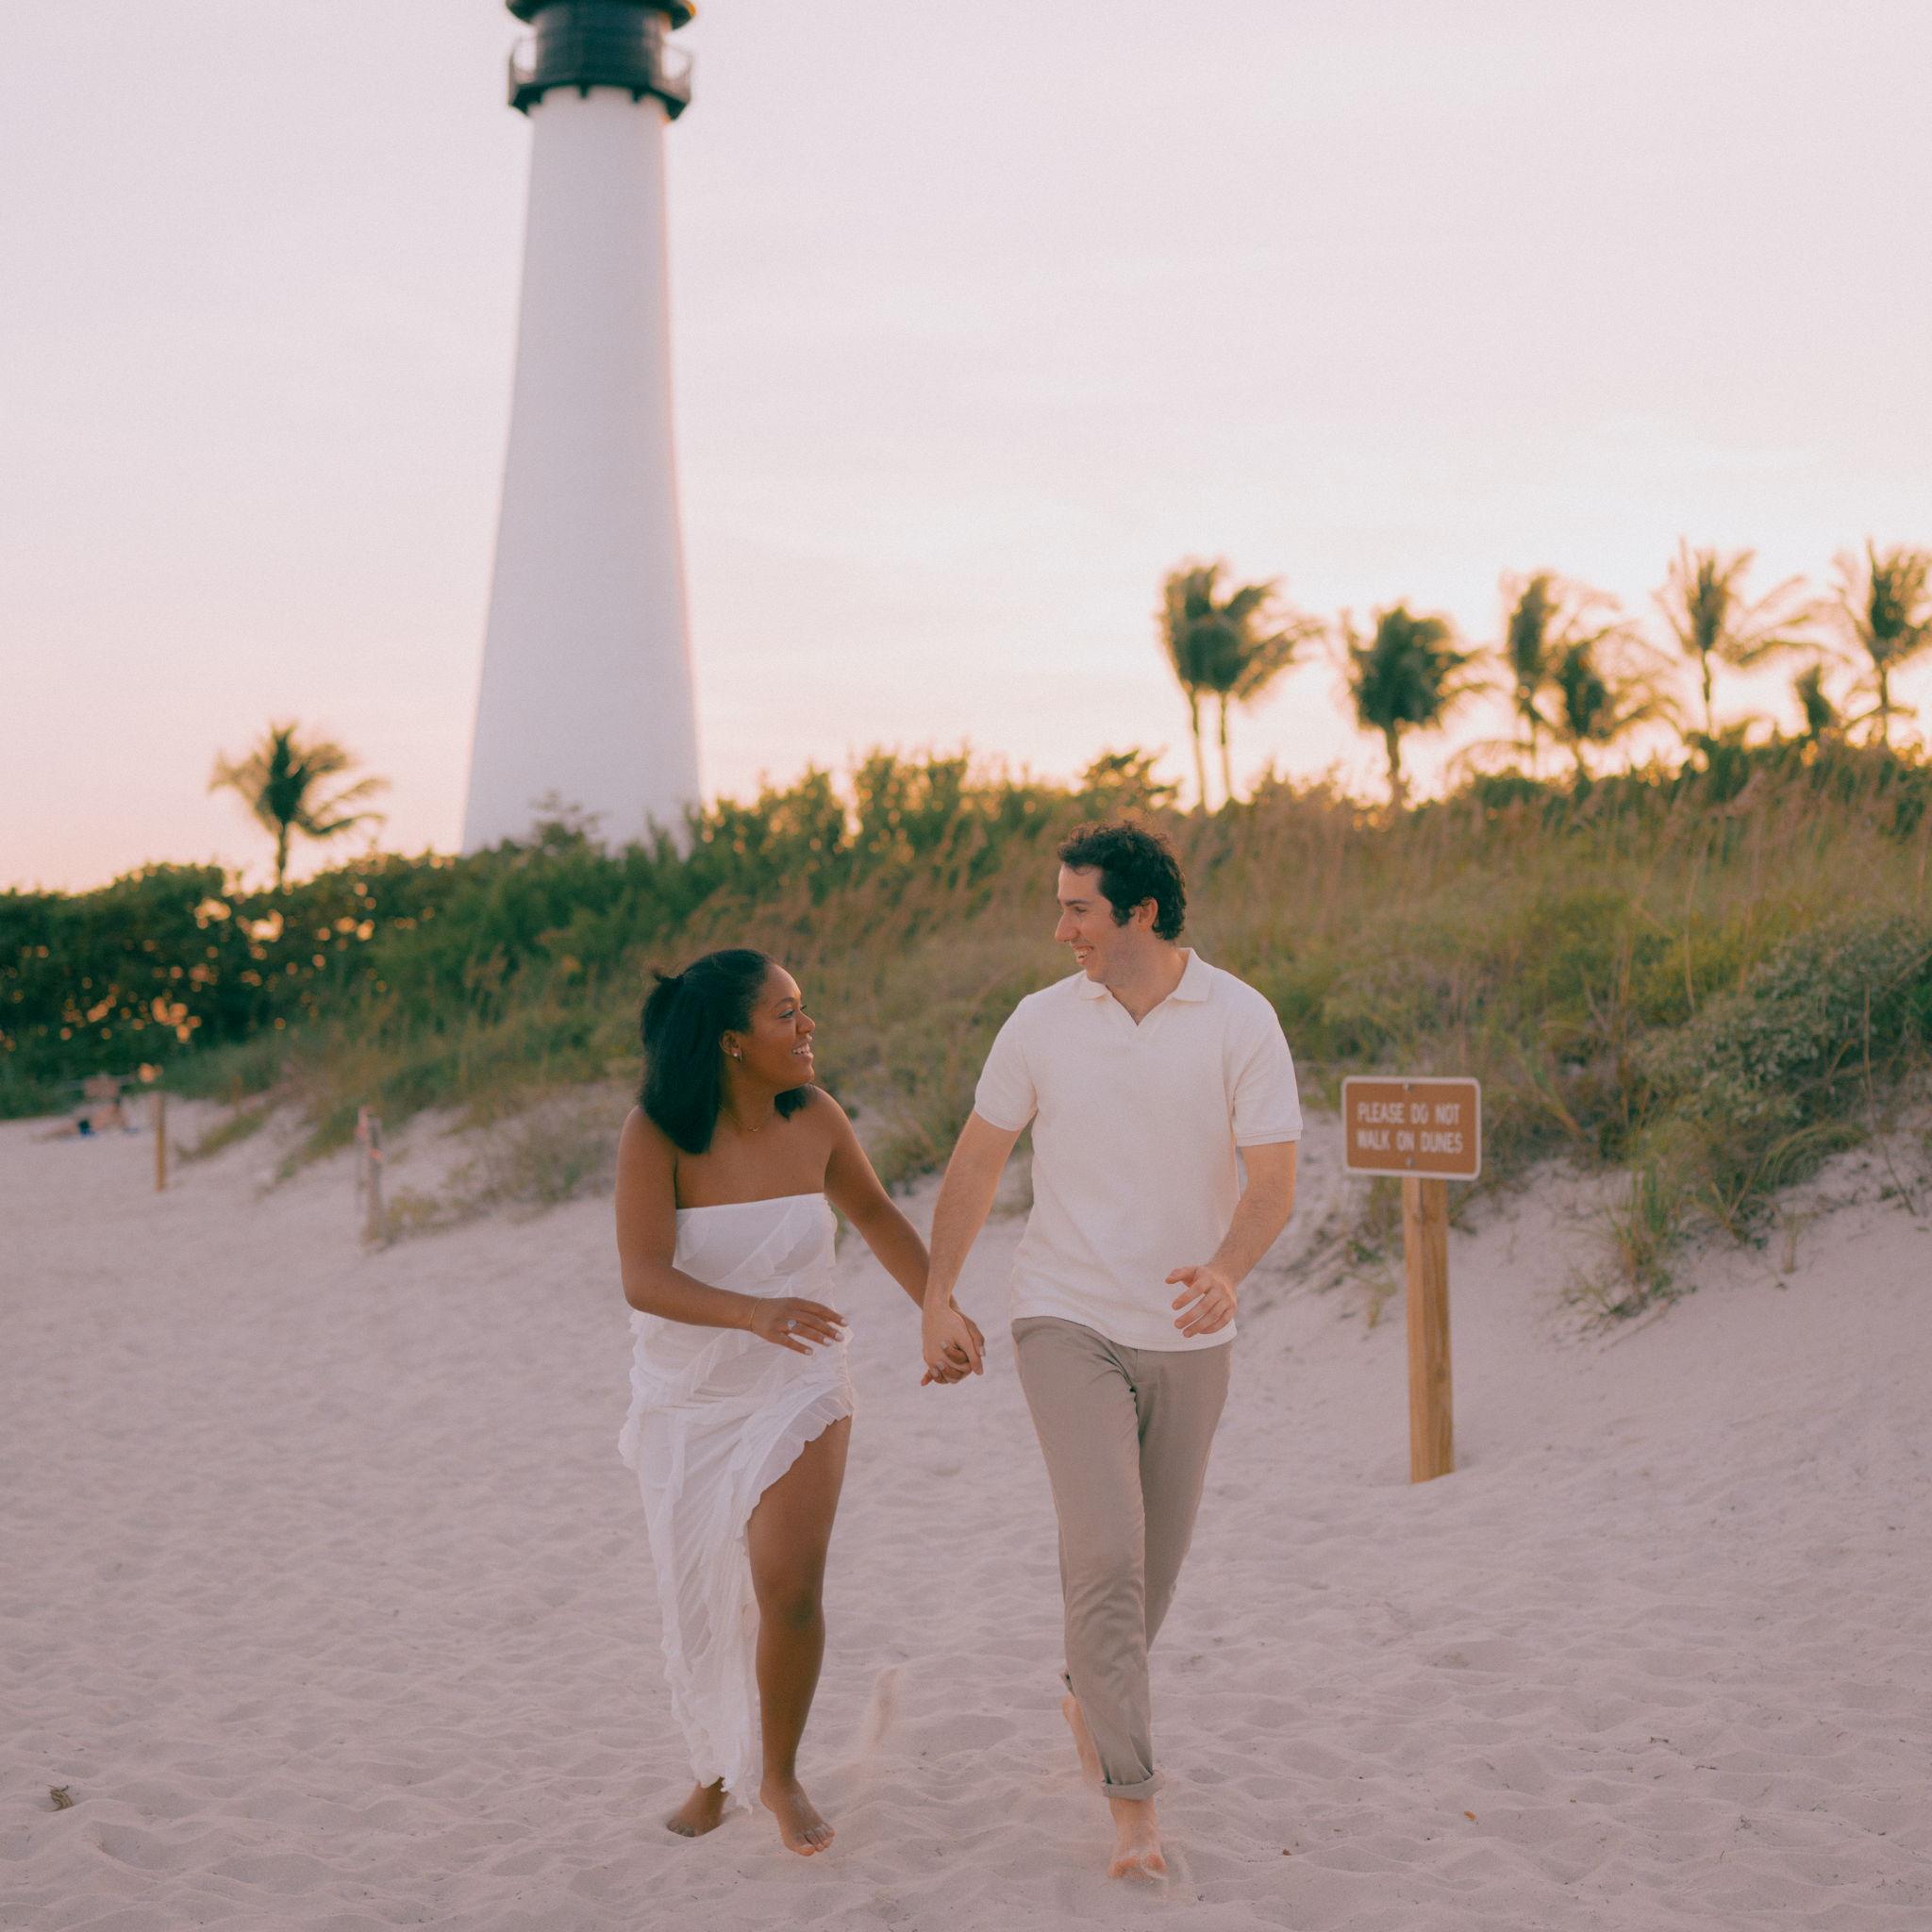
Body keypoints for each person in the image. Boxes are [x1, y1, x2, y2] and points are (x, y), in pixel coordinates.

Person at [917, 822, 1301, 1879]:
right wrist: (935, 1295)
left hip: (1187, 1328)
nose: (1061, 927)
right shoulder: (1041, 1021)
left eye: (1078, 907)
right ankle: (1132, 1806)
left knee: (1152, 1570)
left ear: (1139, 911)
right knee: (1103, 1553)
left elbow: (1271, 1178)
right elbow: (977, 1159)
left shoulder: (1238, 1017)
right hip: (1063, 1314)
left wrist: (1225, 1265)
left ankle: (1090, 1691)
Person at [612, 948, 980, 1857]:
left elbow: (881, 1218)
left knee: (788, 1585)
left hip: (800, 1376)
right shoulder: (657, 1133)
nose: (808, 1025)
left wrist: (941, 1310)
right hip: (690, 1395)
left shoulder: (815, 1115)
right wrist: (751, 1312)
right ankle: (712, 1770)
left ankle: (776, 1774)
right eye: (787, 1013)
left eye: (803, 1007)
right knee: (696, 1594)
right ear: (734, 1042)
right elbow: (642, 1277)